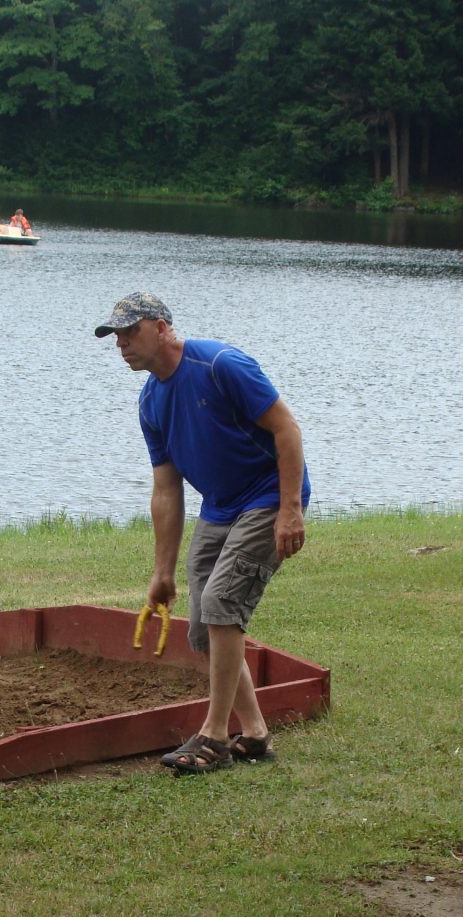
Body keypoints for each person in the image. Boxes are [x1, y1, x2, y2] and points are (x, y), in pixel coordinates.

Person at [94, 292, 310, 775]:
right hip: (220, 507)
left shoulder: (219, 365)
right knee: (204, 625)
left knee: (221, 605)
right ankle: (253, 734)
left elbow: (287, 429)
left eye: (130, 332)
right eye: (116, 337)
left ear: (162, 328)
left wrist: (290, 510)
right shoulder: (151, 401)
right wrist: (161, 572)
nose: (122, 345)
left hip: (267, 495)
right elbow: (167, 490)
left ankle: (213, 736)